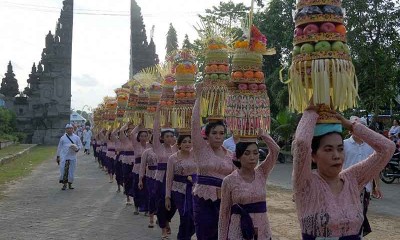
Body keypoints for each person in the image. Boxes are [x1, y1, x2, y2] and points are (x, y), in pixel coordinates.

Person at [292, 105, 395, 239]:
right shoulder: (305, 183)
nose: (337, 155)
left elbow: (387, 148)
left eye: (340, 149)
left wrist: (351, 125)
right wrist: (311, 111)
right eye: (328, 149)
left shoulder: (353, 179)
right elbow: (302, 143)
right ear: (313, 155)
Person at [191, 85, 236, 240]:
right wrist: (198, 97)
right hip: (203, 200)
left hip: (224, 201)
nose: (218, 136)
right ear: (207, 135)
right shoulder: (201, 150)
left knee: (222, 235)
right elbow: (194, 124)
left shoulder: (231, 155)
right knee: (204, 234)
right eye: (214, 133)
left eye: (222, 133)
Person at [218, 129, 280, 240]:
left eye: (255, 153)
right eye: (247, 153)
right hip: (238, 231)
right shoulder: (229, 181)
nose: (252, 157)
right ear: (239, 156)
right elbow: (224, 214)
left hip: (262, 230)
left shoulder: (262, 173)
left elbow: (275, 150)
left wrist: (263, 134)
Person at [343, 116, 383, 236]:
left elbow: (375, 167)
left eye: (362, 128)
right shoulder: (343, 145)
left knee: (361, 214)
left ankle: (358, 236)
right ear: (350, 130)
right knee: (346, 214)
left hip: (365, 187)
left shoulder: (371, 146)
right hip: (346, 186)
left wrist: (377, 186)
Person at [165, 134, 197, 240]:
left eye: (189, 141)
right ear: (179, 144)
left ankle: (184, 236)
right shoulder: (173, 158)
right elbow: (169, 178)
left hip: (194, 190)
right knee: (185, 216)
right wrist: (167, 197)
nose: (187, 144)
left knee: (194, 217)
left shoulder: (196, 156)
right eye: (184, 142)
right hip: (178, 190)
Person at [153, 107, 178, 239]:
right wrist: (158, 115)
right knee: (161, 203)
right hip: (160, 179)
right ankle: (163, 227)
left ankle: (166, 220)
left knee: (173, 204)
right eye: (166, 136)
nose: (169, 138)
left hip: (174, 180)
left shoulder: (176, 149)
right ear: (162, 138)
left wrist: (170, 117)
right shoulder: (157, 148)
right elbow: (156, 129)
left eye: (171, 136)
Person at [131, 124, 152, 215]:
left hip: (148, 170)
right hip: (137, 169)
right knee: (137, 188)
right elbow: (132, 134)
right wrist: (138, 127)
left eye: (145, 136)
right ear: (138, 137)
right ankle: (136, 206)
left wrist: (149, 128)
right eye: (141, 136)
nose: (143, 138)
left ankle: (147, 208)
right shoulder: (136, 145)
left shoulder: (150, 146)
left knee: (147, 189)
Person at [56, 123, 83, 190]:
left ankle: (70, 184)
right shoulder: (63, 138)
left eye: (70, 128)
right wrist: (58, 156)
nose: (69, 130)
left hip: (72, 157)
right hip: (64, 157)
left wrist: (76, 148)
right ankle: (64, 184)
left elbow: (80, 145)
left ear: (73, 129)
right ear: (66, 130)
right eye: (68, 129)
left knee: (71, 171)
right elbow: (59, 147)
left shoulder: (76, 137)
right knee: (64, 171)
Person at [139, 146, 158, 228]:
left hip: (163, 176)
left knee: (161, 198)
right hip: (150, 176)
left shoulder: (167, 149)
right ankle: (151, 217)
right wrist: (140, 179)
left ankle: (160, 216)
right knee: (152, 196)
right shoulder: (147, 152)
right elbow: (142, 166)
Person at [119, 123, 135, 205]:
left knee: (134, 178)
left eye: (132, 131)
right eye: (129, 131)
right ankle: (128, 196)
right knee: (126, 178)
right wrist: (127, 124)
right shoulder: (124, 140)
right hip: (126, 161)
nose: (130, 133)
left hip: (135, 161)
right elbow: (121, 130)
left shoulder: (136, 140)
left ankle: (135, 196)